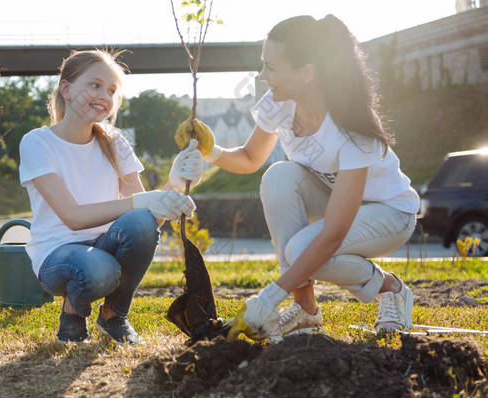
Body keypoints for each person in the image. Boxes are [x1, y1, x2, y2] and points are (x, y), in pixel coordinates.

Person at [170, 15, 419, 341]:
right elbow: (250, 159)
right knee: (279, 176)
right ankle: (306, 310)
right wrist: (210, 150)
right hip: (338, 200)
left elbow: (333, 234)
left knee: (301, 248)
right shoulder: (279, 104)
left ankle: (391, 288)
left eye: (271, 67)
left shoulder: (353, 127)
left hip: (390, 214)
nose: (262, 75)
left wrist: (270, 298)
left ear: (307, 73)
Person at [18, 50, 201, 345]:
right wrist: (141, 202)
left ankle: (114, 314)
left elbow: (148, 218)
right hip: (57, 254)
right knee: (99, 269)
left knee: (140, 224)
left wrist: (175, 181)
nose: (104, 95)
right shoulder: (37, 143)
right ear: (65, 89)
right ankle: (73, 313)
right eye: (94, 85)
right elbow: (73, 217)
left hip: (105, 247)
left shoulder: (115, 141)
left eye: (112, 90)